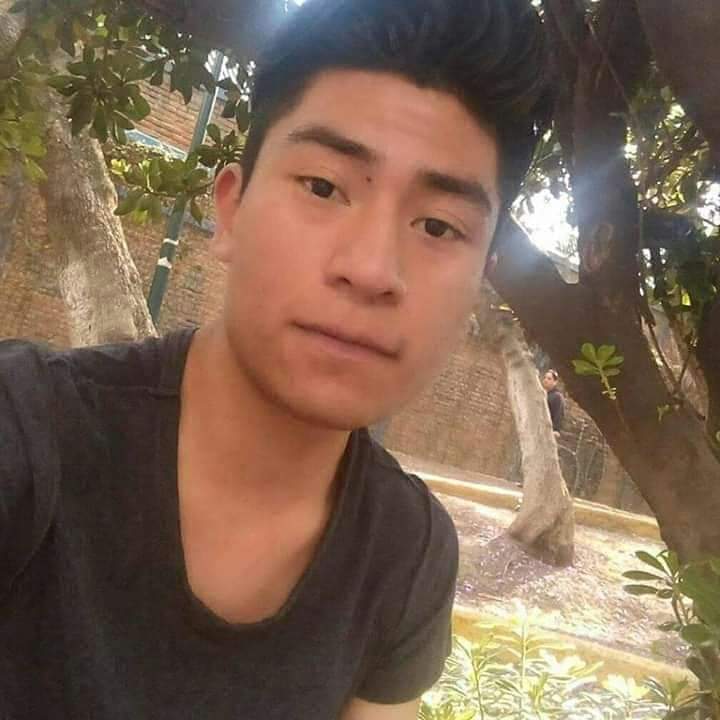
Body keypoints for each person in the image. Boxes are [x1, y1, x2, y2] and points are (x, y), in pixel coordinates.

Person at [0, 1, 551, 717]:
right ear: (230, 210)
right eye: (323, 186)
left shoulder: (406, 552)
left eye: (439, 226)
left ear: (480, 282)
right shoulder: (27, 435)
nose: (371, 269)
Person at [542, 369, 565, 435]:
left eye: (549, 379)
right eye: (545, 378)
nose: (546, 380)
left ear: (555, 382)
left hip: (549, 431)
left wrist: (555, 430)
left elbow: (558, 414)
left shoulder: (557, 396)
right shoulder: (542, 394)